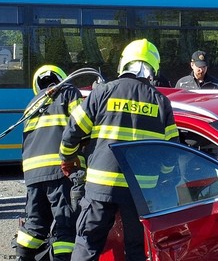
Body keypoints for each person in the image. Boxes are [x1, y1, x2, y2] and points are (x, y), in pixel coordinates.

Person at [60, 39, 179, 261]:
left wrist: (68, 159)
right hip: (141, 191)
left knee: (87, 243)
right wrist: (164, 176)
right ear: (153, 68)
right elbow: (170, 153)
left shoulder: (103, 93)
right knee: (136, 249)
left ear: (124, 63)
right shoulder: (162, 103)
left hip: (101, 186)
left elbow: (71, 132)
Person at [16, 65, 84, 261]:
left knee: (35, 224)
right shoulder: (69, 92)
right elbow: (80, 126)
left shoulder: (31, 104)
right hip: (59, 170)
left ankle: (23, 257)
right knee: (66, 226)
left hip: (32, 174)